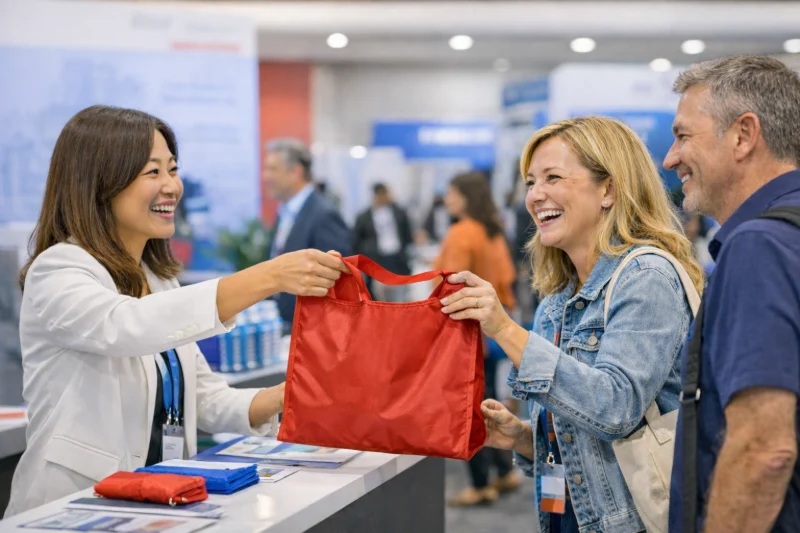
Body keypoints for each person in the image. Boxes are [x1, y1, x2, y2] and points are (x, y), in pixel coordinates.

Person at [4, 106, 349, 517]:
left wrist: (285, 395)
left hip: (160, 503)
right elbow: (127, 326)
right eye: (153, 172)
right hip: (74, 506)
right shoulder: (58, 270)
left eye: (173, 169)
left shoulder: (158, 278)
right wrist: (270, 277)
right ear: (99, 183)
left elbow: (203, 398)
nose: (172, 186)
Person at [441, 116, 704, 532]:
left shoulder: (646, 277)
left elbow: (616, 407)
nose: (535, 195)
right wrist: (525, 438)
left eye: (552, 177)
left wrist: (505, 329)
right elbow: (582, 425)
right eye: (530, 182)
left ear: (609, 189)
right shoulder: (558, 298)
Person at [664, 55, 800, 533]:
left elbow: (764, 449)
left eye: (683, 136)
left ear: (744, 134)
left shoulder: (759, 247)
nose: (670, 158)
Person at [434, 171, 521, 507]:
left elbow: (449, 287)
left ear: (466, 196)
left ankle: (481, 483)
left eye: (452, 193)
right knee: (488, 402)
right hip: (492, 331)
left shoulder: (460, 233)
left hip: (465, 335)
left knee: (467, 410)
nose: (448, 199)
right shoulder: (493, 231)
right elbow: (506, 280)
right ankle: (505, 473)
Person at [263, 138, 351, 325]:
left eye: (273, 169)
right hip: (286, 325)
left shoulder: (324, 215)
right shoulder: (285, 212)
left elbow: (337, 283)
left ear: (296, 171)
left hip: (311, 329)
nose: (266, 176)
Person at [353, 183, 413, 301]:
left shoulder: (399, 212)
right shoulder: (364, 217)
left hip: (397, 259)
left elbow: (407, 234)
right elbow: (357, 240)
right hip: (376, 259)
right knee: (377, 295)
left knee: (399, 293)